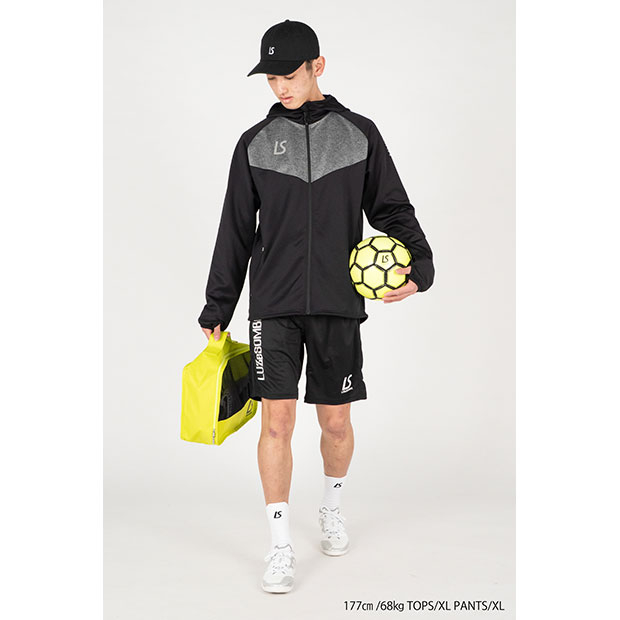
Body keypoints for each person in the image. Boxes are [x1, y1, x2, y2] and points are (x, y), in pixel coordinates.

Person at [198, 19, 434, 593]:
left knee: (335, 421)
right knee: (276, 421)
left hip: (337, 302)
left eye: (290, 74)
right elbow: (235, 229)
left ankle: (331, 507)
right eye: (271, 77)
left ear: (317, 67)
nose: (280, 86)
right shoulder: (254, 143)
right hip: (272, 304)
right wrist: (217, 306)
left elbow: (392, 209)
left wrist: (421, 269)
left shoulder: (359, 134)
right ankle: (279, 545)